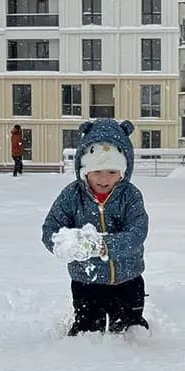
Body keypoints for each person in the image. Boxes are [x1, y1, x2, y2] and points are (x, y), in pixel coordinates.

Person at [42, 118, 149, 336]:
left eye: (112, 171)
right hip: (86, 280)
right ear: (84, 170)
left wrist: (104, 246)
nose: (104, 179)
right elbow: (51, 228)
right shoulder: (71, 196)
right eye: (97, 171)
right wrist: (65, 244)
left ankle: (136, 343)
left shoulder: (130, 196)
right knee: (87, 326)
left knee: (130, 327)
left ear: (123, 170)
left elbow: (137, 232)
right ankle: (84, 348)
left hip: (127, 277)